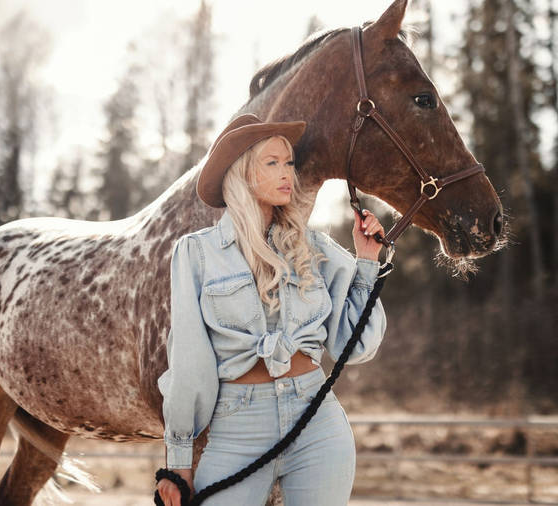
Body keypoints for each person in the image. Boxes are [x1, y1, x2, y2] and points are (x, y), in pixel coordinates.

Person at [156, 113, 387, 506]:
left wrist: (367, 263)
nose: (288, 174)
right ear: (243, 173)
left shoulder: (314, 248)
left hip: (317, 423)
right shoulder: (197, 253)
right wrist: (179, 460)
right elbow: (189, 360)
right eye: (273, 162)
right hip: (236, 431)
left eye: (289, 163)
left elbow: (358, 345)